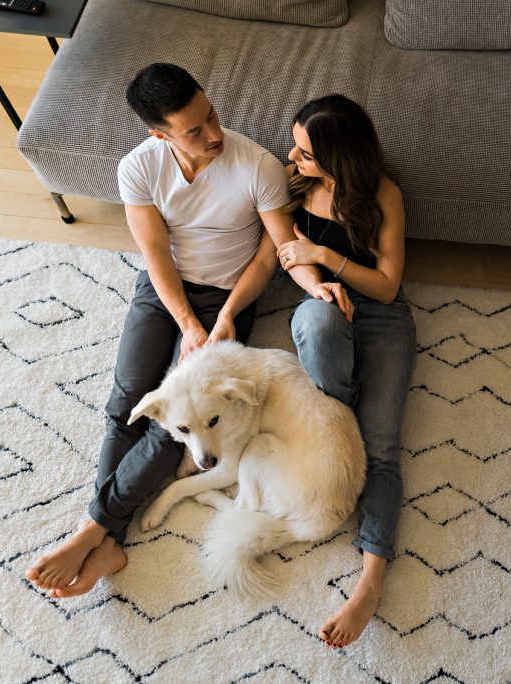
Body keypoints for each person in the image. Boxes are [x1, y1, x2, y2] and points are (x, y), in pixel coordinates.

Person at [25, 64, 351, 598]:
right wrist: (186, 325)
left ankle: (96, 530)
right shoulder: (138, 168)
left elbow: (274, 255)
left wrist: (234, 317)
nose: (214, 134)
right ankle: (105, 537)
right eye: (195, 130)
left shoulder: (257, 166)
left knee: (175, 420)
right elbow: (155, 256)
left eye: (212, 116)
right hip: (166, 292)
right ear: (160, 134)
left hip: (230, 297)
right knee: (130, 398)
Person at [271, 94, 415, 648]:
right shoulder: (295, 185)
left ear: (338, 156)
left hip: (381, 317)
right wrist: (319, 281)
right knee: (318, 321)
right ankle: (343, 407)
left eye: (305, 152)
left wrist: (328, 257)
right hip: (323, 305)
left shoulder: (383, 194)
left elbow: (386, 285)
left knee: (381, 449)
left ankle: (370, 582)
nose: (293, 155)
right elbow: (284, 254)